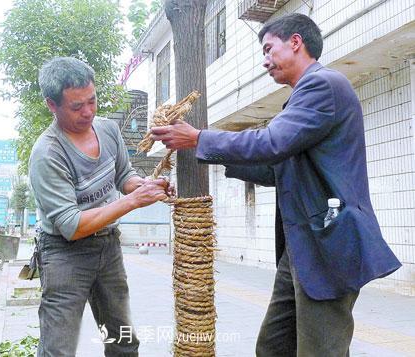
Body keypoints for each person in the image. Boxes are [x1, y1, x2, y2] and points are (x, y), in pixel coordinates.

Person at [150, 13, 401, 356]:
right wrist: (205, 152)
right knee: (273, 347)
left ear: (296, 42)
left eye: (269, 49)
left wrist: (199, 139)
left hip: (329, 244)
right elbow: (276, 168)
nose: (264, 61)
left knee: (320, 352)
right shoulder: (302, 98)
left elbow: (271, 143)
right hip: (302, 247)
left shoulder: (323, 85)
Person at [29, 56, 171, 357]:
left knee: (123, 341)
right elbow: (72, 225)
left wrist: (142, 186)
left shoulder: (107, 130)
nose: (88, 112)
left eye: (92, 101)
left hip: (108, 248)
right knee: (59, 348)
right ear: (51, 105)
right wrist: (132, 201)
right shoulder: (47, 154)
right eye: (76, 106)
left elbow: (123, 174)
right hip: (64, 254)